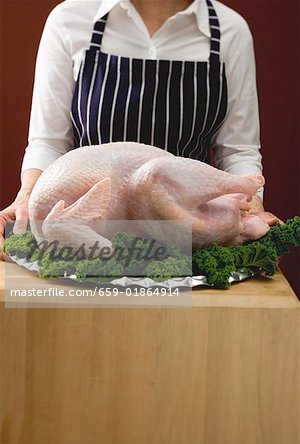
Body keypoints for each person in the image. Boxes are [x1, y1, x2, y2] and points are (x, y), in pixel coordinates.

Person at [0, 0, 279, 259]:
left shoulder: (229, 30)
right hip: (97, 224)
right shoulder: (70, 20)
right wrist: (28, 199)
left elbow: (238, 150)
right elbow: (49, 143)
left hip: (185, 228)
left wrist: (250, 205)